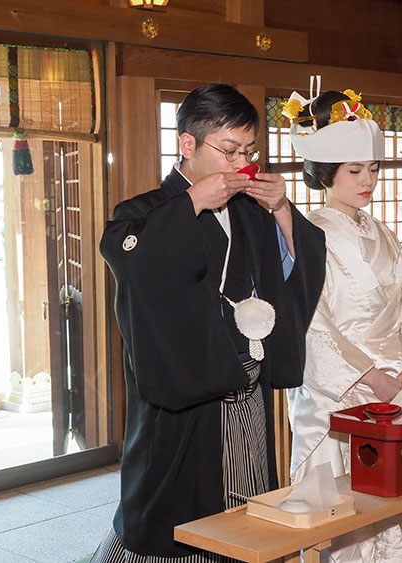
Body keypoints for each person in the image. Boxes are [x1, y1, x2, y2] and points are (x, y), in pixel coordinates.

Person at [95, 84, 326, 561]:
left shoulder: (251, 214)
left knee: (246, 509)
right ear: (187, 145)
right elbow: (132, 260)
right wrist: (193, 203)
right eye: (229, 151)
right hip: (181, 399)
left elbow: (291, 276)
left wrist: (282, 211)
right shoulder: (141, 213)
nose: (242, 164)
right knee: (174, 518)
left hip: (247, 390)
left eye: (249, 152)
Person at [285, 88, 402, 563]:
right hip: (346, 386)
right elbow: (311, 320)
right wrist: (369, 377)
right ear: (327, 174)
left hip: (397, 381)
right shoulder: (307, 232)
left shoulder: (383, 232)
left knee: (401, 501)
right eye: (356, 171)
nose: (369, 179)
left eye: (373, 169)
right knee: (344, 511)